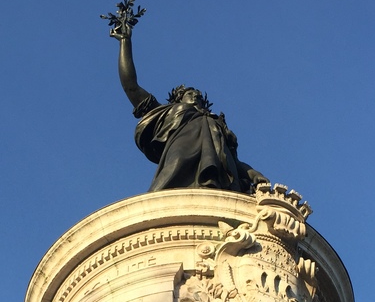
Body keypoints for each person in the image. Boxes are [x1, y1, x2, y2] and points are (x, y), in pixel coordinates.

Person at [111, 21, 268, 193]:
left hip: (221, 180)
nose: (195, 96)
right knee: (163, 193)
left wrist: (253, 173)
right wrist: (125, 41)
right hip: (179, 160)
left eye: (199, 96)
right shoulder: (167, 113)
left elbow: (233, 161)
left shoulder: (217, 125)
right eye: (190, 94)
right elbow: (131, 86)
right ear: (177, 101)